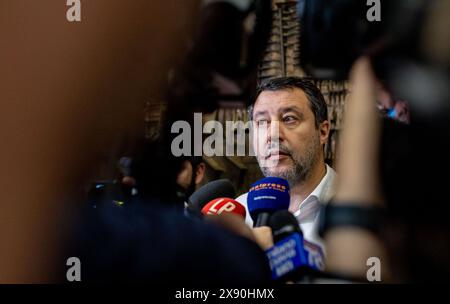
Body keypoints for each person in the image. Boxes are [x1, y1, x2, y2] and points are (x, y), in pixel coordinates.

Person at [236, 77, 337, 250]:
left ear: (322, 131)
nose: (273, 135)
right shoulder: (239, 214)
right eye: (261, 122)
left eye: (289, 119)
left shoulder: (356, 209)